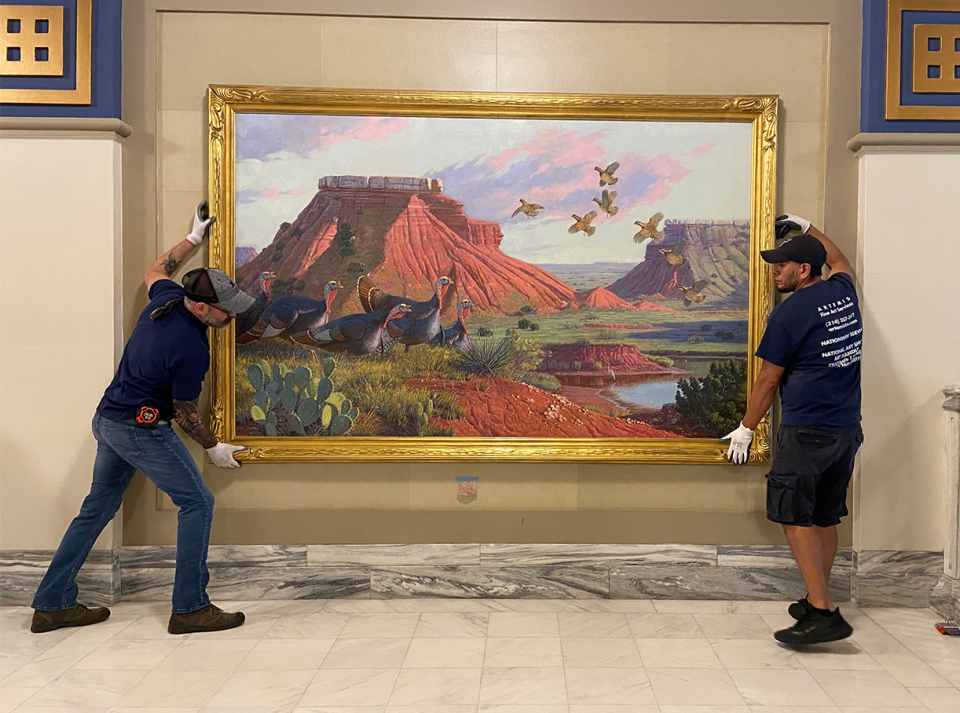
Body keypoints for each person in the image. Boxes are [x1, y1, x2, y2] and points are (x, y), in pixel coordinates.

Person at [31, 204, 252, 636]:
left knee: (97, 508)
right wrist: (213, 447)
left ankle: (52, 603)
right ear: (204, 309)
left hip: (108, 418)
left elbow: (157, 269)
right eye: (227, 310)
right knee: (198, 502)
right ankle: (190, 609)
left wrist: (192, 239)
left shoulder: (168, 299)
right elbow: (184, 410)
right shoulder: (190, 347)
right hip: (139, 428)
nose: (233, 315)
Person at [722, 214, 863, 646]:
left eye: (781, 266)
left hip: (806, 431)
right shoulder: (842, 293)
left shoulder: (790, 313)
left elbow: (767, 380)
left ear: (803, 271)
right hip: (845, 429)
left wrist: (746, 428)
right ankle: (815, 596)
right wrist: (808, 226)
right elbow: (840, 260)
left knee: (792, 515)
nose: (775, 272)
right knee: (824, 515)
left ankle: (823, 612)